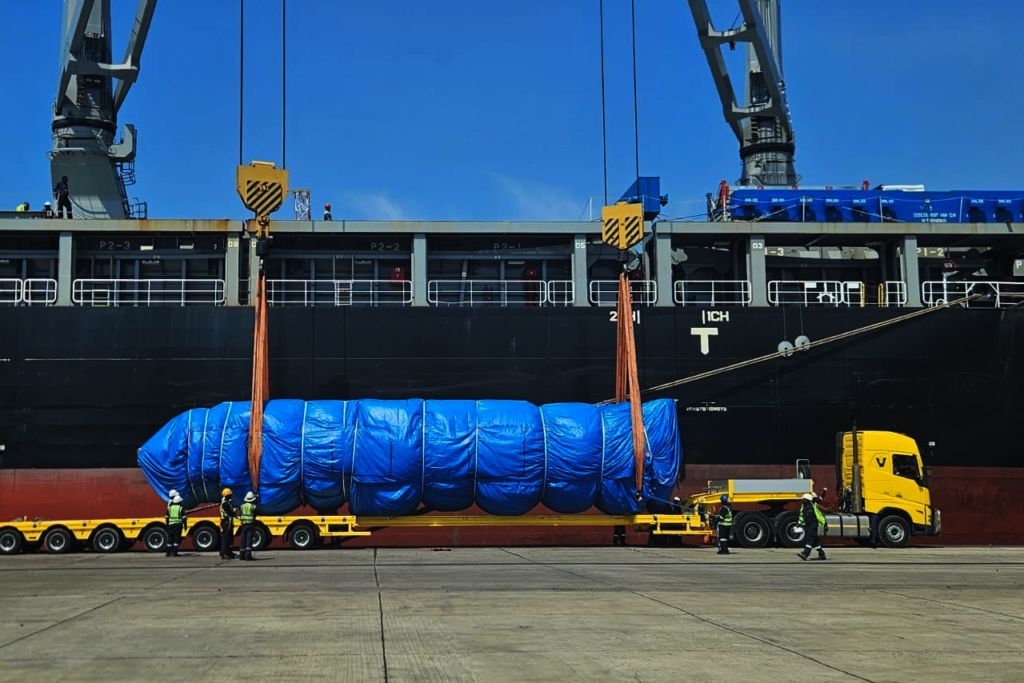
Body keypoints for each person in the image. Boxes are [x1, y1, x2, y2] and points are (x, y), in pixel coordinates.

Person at [797, 492, 827, 561]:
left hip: (813, 526)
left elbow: (820, 516)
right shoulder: (803, 508)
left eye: (804, 499)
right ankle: (821, 554)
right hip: (808, 526)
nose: (802, 500)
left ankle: (805, 553)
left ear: (808, 500)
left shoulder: (813, 508)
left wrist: (825, 524)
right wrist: (799, 523)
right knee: (815, 541)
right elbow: (801, 516)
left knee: (810, 540)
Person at [238, 491, 259, 561]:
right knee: (249, 540)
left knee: (243, 540)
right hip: (251, 524)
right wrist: (256, 502)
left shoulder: (242, 506)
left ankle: (241, 555)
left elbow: (240, 514)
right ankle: (248, 556)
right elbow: (258, 512)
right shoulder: (253, 506)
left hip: (243, 525)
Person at [219, 488, 237, 559]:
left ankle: (228, 552)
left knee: (230, 538)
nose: (231, 496)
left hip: (228, 522)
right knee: (226, 538)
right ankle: (224, 553)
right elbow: (230, 512)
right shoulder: (225, 504)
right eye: (230, 495)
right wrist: (234, 511)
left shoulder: (227, 503)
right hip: (226, 522)